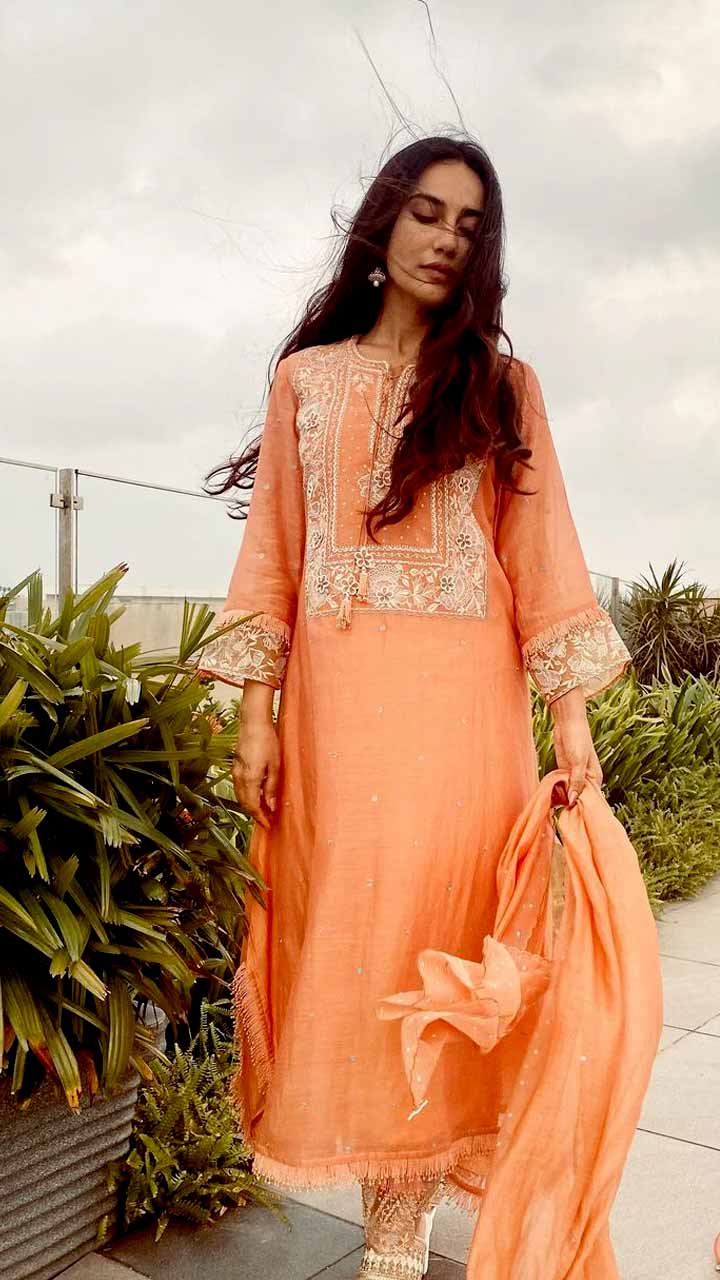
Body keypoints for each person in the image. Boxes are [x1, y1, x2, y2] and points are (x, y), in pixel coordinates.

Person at [197, 133, 632, 1280]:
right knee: (355, 942)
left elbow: (541, 556)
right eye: (429, 213)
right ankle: (388, 1192)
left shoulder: (501, 387)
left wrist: (571, 720)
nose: (446, 240)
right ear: (384, 222)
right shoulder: (307, 381)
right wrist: (254, 712)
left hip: (467, 727)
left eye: (470, 227)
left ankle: (402, 1221)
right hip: (339, 725)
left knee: (446, 940)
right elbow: (274, 554)